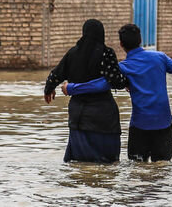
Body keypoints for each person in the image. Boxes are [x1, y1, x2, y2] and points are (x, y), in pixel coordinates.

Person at [69, 23, 172, 162]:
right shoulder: (159, 58)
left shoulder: (124, 67)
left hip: (140, 128)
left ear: (121, 44)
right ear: (141, 40)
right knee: (163, 172)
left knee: (137, 171)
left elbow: (101, 84)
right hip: (164, 126)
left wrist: (72, 88)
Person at [43, 19, 128, 163]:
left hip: (79, 117)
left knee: (79, 163)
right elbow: (116, 82)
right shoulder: (106, 53)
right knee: (107, 165)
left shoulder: (73, 53)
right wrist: (127, 81)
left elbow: (55, 75)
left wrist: (48, 89)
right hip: (103, 117)